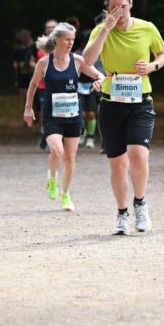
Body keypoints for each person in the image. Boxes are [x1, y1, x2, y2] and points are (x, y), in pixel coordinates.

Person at [83, 0, 164, 235]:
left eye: (122, 6)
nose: (119, 12)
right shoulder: (102, 29)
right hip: (111, 102)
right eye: (113, 8)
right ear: (107, 10)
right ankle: (122, 213)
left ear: (130, 5)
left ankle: (140, 203)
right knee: (118, 164)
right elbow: (86, 61)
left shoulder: (147, 27)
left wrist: (152, 67)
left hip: (140, 100)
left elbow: (162, 53)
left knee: (139, 155)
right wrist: (105, 30)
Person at [24, 22, 103, 211]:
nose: (70, 43)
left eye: (72, 39)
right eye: (67, 39)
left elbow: (98, 74)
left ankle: (66, 195)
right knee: (57, 151)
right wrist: (28, 108)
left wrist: (99, 80)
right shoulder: (44, 62)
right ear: (57, 40)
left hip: (73, 116)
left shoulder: (77, 61)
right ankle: (52, 178)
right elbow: (33, 85)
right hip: (52, 116)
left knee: (70, 158)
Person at [78, 13, 106, 150]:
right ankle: (83, 134)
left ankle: (96, 139)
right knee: (82, 112)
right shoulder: (80, 53)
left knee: (96, 112)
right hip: (83, 85)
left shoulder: (109, 45)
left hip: (103, 83)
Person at [35, 19, 58, 150]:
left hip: (59, 84)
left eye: (53, 27)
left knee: (58, 111)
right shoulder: (39, 44)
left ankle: (51, 137)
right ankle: (46, 134)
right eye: (48, 27)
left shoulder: (63, 42)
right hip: (43, 85)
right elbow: (32, 61)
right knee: (45, 111)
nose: (50, 29)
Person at [12, 29, 37, 113]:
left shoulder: (34, 47)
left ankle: (35, 116)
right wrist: (18, 66)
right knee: (24, 96)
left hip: (32, 74)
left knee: (32, 97)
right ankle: (27, 117)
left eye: (26, 36)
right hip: (21, 75)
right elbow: (15, 62)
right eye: (23, 37)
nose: (24, 38)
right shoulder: (18, 49)